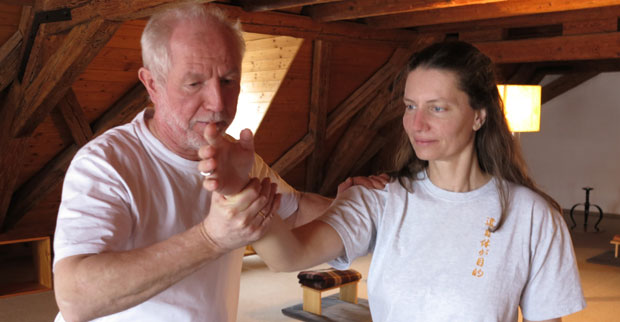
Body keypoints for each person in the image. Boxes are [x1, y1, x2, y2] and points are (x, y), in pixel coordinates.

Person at [205, 41, 586, 321]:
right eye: (409, 106)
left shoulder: (532, 216)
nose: (416, 124)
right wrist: (241, 186)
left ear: (478, 116)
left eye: (437, 108)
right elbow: (288, 256)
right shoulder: (380, 198)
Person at [52, 4, 386, 322]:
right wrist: (211, 239)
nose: (217, 103)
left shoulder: (236, 158)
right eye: (195, 83)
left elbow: (294, 213)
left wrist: (359, 207)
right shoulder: (106, 163)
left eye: (228, 81)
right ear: (152, 84)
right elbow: (76, 299)